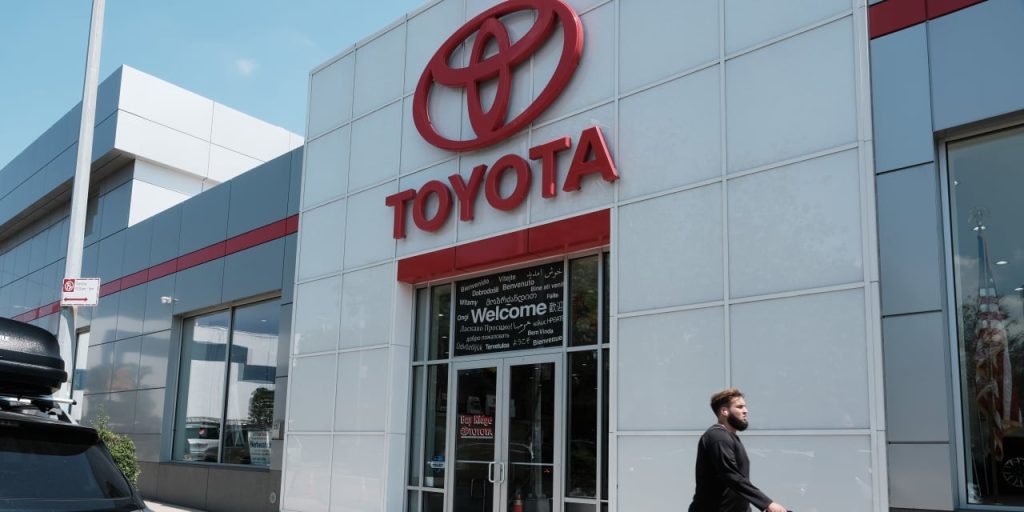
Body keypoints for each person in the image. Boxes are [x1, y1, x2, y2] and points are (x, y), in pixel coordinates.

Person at [688, 388, 787, 512]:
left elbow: (737, 484)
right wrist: (767, 503)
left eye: (745, 406)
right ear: (724, 411)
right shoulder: (718, 437)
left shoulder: (730, 437)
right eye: (739, 407)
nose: (745, 411)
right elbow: (731, 476)